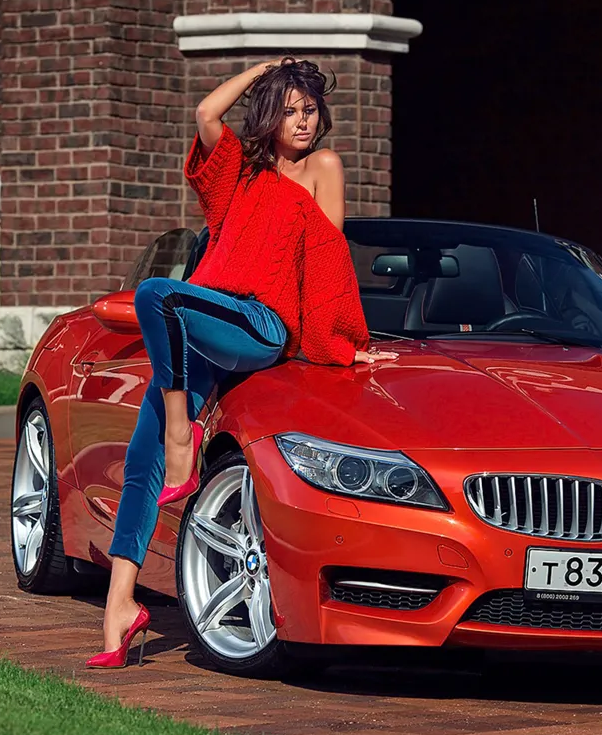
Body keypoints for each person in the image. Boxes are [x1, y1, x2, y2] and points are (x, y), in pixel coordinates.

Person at [87, 57, 398, 668]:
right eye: (289, 110)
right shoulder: (239, 173)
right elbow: (206, 114)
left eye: (309, 109)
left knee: (157, 294)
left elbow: (326, 261)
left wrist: (340, 341)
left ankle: (185, 432)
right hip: (205, 330)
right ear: (266, 115)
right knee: (141, 464)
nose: (303, 121)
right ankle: (118, 610)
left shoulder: (323, 169)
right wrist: (261, 71)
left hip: (261, 324)